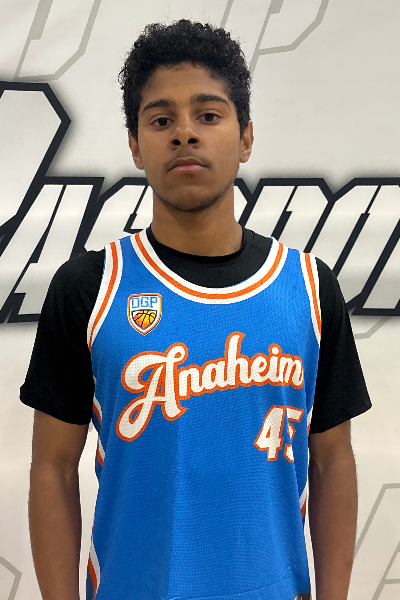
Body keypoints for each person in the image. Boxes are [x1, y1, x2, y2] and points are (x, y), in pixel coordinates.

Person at [20, 19, 371, 600]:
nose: (185, 133)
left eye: (208, 115)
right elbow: (52, 469)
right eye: (161, 120)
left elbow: (332, 460)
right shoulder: (90, 287)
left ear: (246, 137)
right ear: (136, 145)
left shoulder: (309, 288)